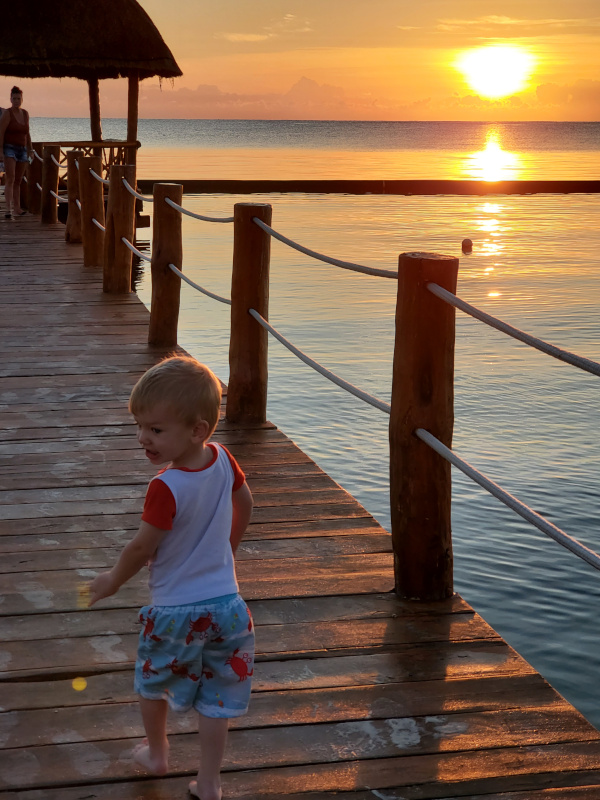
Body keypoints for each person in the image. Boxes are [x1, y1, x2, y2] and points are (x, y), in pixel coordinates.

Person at [88, 355, 254, 800]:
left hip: (175, 612)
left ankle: (158, 753)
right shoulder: (223, 459)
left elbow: (143, 546)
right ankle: (210, 782)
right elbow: (246, 503)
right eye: (140, 427)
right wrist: (228, 550)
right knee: (217, 698)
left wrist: (112, 580)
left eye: (156, 430)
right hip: (229, 609)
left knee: (151, 682)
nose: (144, 438)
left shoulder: (166, 486)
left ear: (197, 430)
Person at [0, 86, 32, 219]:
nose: (16, 101)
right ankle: (8, 209)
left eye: (19, 98)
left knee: (18, 180)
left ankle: (17, 208)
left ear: (22, 99)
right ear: (10, 99)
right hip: (9, 148)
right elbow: (0, 133)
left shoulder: (25, 113)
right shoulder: (7, 113)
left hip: (22, 149)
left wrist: (30, 149)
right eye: (14, 98)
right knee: (11, 178)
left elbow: (27, 133)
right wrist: (0, 151)